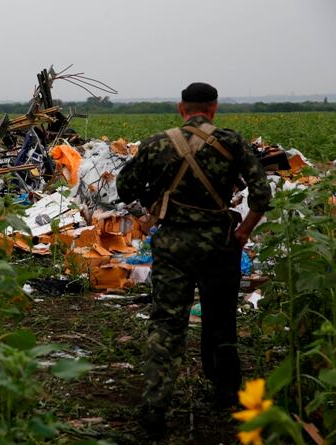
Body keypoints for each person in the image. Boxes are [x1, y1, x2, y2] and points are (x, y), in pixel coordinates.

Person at [115, 82, 272, 432]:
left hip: (172, 245)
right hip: (220, 245)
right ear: (214, 109)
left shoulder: (157, 143)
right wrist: (244, 231)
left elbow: (124, 188)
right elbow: (262, 194)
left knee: (167, 324)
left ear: (180, 108)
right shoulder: (232, 142)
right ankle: (226, 395)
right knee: (220, 320)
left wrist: (155, 197)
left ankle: (155, 408)